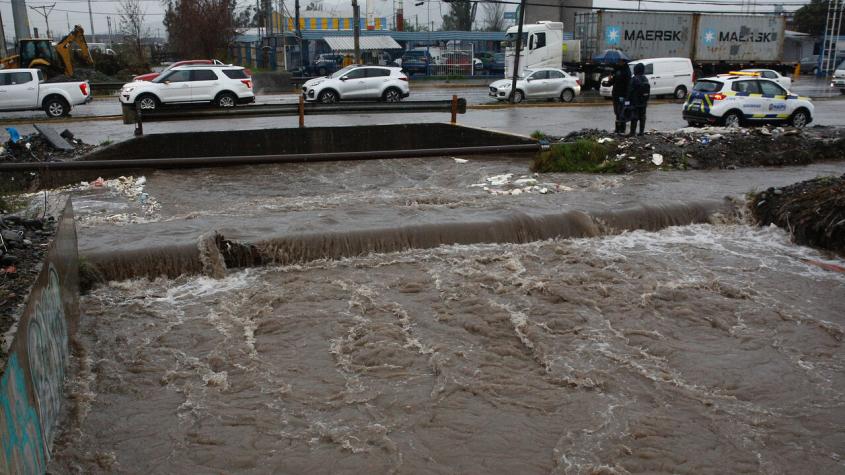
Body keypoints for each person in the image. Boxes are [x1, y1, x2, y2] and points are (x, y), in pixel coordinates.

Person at [606, 58, 631, 134]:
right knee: (617, 112)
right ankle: (617, 129)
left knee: (621, 112)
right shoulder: (617, 70)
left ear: (623, 62)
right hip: (616, 94)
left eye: (619, 61)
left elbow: (628, 84)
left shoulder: (626, 71)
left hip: (622, 94)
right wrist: (609, 80)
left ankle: (622, 129)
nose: (618, 62)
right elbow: (613, 82)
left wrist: (627, 96)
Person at [627, 62, 651, 136]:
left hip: (635, 102)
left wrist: (627, 100)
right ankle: (641, 132)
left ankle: (632, 132)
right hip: (643, 102)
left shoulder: (634, 79)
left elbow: (630, 91)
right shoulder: (645, 79)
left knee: (634, 117)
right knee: (642, 117)